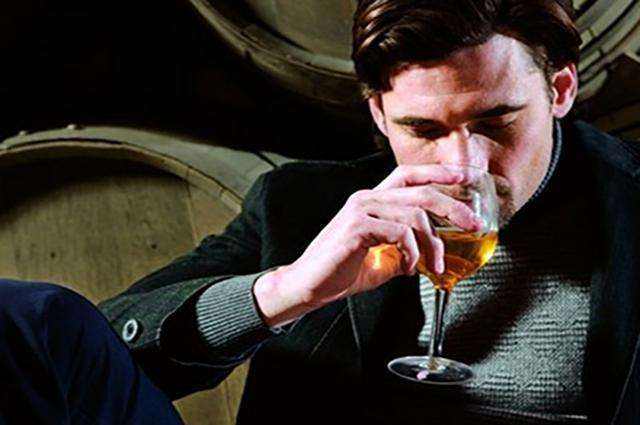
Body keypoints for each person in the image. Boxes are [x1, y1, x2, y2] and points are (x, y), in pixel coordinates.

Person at [1, 0, 638, 424]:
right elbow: (75, 362)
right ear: (379, 114)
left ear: (559, 89)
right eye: (421, 129)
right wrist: (286, 292)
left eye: (496, 122)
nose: (461, 164)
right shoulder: (302, 204)